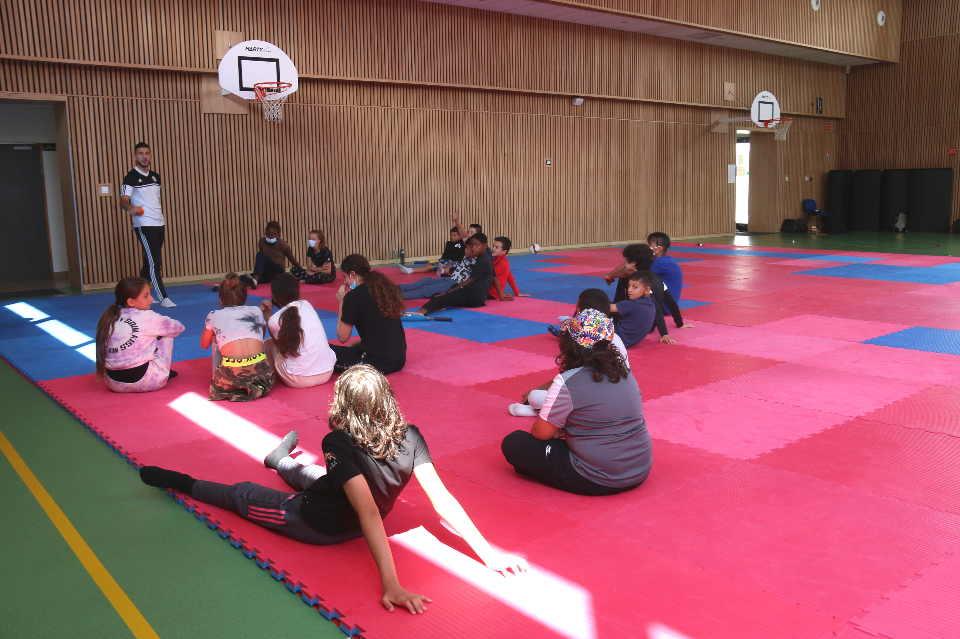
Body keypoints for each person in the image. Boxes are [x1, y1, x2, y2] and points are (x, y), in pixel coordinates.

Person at [138, 365, 527, 614]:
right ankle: (281, 462)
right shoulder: (410, 435)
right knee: (316, 478)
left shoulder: (337, 441)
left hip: (316, 521)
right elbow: (441, 499)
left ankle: (183, 482)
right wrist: (488, 554)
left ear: (345, 405)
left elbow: (371, 513)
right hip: (348, 503)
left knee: (242, 494)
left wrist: (391, 583)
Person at [501, 309, 652, 495]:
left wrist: (561, 432)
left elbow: (540, 433)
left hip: (597, 478)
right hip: (640, 468)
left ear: (570, 345)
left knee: (514, 442)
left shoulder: (568, 381)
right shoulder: (625, 373)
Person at [511, 288, 630, 417]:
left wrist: (537, 390)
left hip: (590, 400)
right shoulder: (615, 337)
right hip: (621, 400)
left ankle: (542, 412)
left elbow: (568, 379)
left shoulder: (581, 340)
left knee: (535, 397)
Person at [95, 276, 184, 393]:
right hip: (146, 382)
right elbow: (179, 327)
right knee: (166, 332)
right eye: (146, 296)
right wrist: (160, 320)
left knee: (153, 332)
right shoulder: (148, 317)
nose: (151, 299)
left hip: (113, 383)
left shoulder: (110, 317)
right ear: (130, 301)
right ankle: (163, 371)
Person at [119, 142, 175, 307]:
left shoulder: (155, 177)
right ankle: (163, 297)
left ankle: (136, 295)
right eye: (140, 153)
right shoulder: (130, 177)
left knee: (148, 262)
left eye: (147, 153)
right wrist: (132, 209)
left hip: (159, 222)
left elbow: (153, 200)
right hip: (144, 224)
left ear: (150, 156)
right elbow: (123, 201)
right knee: (155, 261)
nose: (144, 156)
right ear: (135, 156)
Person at [202, 273, 274, 401]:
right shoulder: (256, 310)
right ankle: (252, 387)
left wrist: (217, 332)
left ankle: (228, 382)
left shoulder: (214, 315)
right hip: (262, 376)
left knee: (216, 339)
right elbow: (260, 335)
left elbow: (203, 345)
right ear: (245, 298)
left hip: (229, 379)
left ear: (220, 299)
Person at [334, 254, 407, 374]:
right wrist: (356, 345)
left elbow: (342, 337)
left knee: (326, 351)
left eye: (344, 276)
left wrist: (342, 303)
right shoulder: (384, 289)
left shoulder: (353, 296)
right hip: (399, 360)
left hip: (374, 363)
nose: (344, 282)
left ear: (353, 274)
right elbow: (380, 333)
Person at [260, 274, 336, 388]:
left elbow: (277, 342)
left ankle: (262, 374)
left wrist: (266, 312)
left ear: (274, 298)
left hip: (297, 378)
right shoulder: (306, 304)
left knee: (268, 344)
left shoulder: (275, 320)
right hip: (327, 372)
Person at [411, 234, 494, 316]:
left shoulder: (482, 260)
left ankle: (420, 312)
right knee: (436, 295)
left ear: (485, 246)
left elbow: (470, 280)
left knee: (440, 298)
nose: (473, 248)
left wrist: (449, 293)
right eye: (472, 245)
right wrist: (501, 296)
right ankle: (440, 306)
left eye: (477, 245)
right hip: (479, 298)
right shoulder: (486, 258)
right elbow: (494, 277)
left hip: (473, 294)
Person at [397, 238, 479, 300]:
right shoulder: (466, 256)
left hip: (455, 284)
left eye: (467, 249)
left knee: (427, 290)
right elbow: (464, 236)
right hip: (451, 278)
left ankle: (399, 297)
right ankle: (399, 288)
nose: (464, 250)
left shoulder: (479, 261)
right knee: (426, 280)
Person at [239, 221, 303, 290]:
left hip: (277, 271)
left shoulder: (281, 243)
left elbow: (292, 259)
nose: (270, 236)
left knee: (260, 254)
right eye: (268, 234)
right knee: (242, 278)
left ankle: (255, 278)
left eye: (273, 234)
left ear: (278, 235)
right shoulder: (262, 241)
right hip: (267, 273)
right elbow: (261, 261)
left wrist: (303, 272)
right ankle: (231, 280)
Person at [609, 271, 658, 347]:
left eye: (635, 287)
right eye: (629, 286)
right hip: (629, 341)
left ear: (647, 290)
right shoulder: (651, 303)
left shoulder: (633, 304)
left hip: (616, 339)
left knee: (598, 302)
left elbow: (605, 307)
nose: (629, 290)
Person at [398, 226, 465, 276]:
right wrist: (440, 261)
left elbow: (464, 236)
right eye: (451, 235)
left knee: (449, 266)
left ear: (460, 236)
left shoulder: (463, 243)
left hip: (457, 261)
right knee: (428, 265)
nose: (452, 237)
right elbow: (445, 254)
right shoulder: (448, 243)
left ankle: (442, 271)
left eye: (454, 235)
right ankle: (410, 270)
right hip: (446, 260)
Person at [648, 232, 683, 305]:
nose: (648, 246)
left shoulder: (659, 262)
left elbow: (633, 272)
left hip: (663, 306)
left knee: (633, 278)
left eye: (651, 244)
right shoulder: (663, 260)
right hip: (668, 305)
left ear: (660, 248)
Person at [488, 236, 527, 301]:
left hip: (492, 293)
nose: (493, 249)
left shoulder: (502, 263)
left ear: (504, 251)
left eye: (496, 247)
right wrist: (517, 292)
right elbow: (509, 277)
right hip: (492, 291)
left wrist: (517, 293)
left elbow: (490, 276)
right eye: (493, 246)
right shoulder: (497, 260)